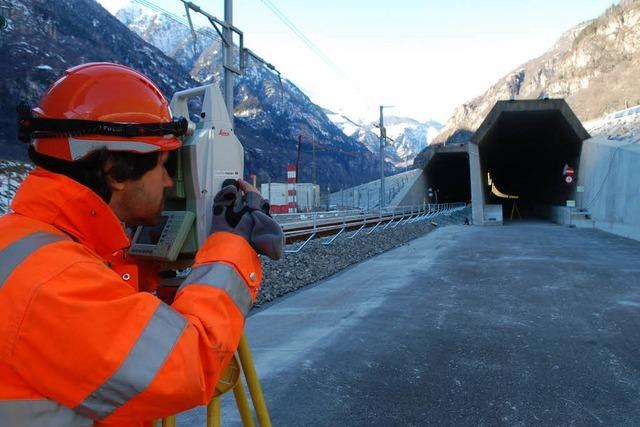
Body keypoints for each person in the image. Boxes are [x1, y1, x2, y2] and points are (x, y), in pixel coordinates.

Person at [0, 62, 283, 426]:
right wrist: (231, 246)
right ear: (115, 172)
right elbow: (187, 364)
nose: (169, 182)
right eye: (164, 165)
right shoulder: (54, 280)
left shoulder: (29, 241)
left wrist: (150, 272)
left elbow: (105, 320)